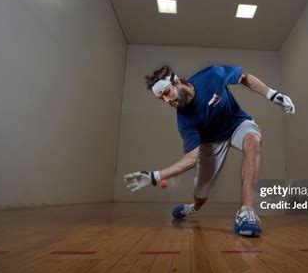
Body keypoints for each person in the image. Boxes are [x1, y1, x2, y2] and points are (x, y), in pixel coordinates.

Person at [124, 65, 295, 237]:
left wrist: (272, 94)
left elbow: (244, 78)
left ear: (176, 82)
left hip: (237, 124)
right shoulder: (184, 121)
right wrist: (155, 176)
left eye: (167, 93)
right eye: (162, 98)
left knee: (253, 142)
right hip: (211, 144)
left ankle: (247, 212)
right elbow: (191, 159)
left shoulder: (213, 75)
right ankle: (193, 207)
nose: (167, 101)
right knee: (201, 196)